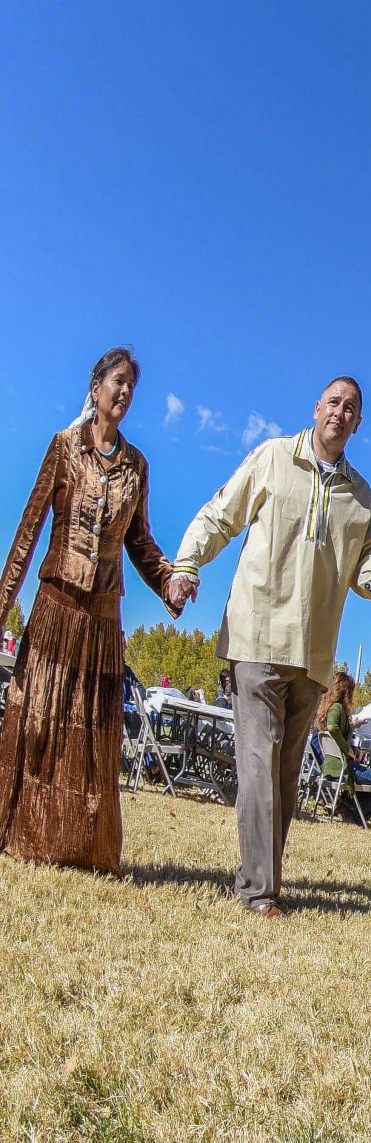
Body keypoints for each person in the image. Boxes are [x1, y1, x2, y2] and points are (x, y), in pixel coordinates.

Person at [168, 376, 371, 920]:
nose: (340, 414)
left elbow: (366, 564)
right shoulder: (273, 458)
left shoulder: (361, 497)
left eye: (352, 409)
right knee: (256, 763)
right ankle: (258, 890)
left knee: (286, 775)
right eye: (334, 403)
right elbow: (219, 514)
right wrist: (185, 566)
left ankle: (261, 878)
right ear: (316, 407)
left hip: (314, 653)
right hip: (256, 635)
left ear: (358, 424)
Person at [0, 347, 187, 873]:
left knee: (89, 732)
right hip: (56, 603)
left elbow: (141, 542)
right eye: (118, 382)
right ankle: (22, 832)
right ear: (96, 386)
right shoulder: (64, 447)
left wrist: (169, 583)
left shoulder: (137, 467)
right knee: (39, 720)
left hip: (102, 616)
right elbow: (27, 531)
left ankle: (81, 848)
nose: (125, 393)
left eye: (132, 386)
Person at [317, 669, 371, 819]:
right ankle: (355, 813)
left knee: (370, 777)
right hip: (343, 767)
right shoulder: (337, 708)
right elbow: (333, 727)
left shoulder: (328, 708)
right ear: (346, 692)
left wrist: (352, 728)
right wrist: (347, 750)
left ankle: (346, 804)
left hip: (330, 767)